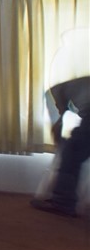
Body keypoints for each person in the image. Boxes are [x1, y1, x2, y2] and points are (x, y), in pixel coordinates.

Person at [31, 76, 90, 217]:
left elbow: (57, 124)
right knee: (76, 151)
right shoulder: (72, 88)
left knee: (70, 155)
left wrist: (60, 140)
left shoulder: (51, 94)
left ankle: (62, 203)